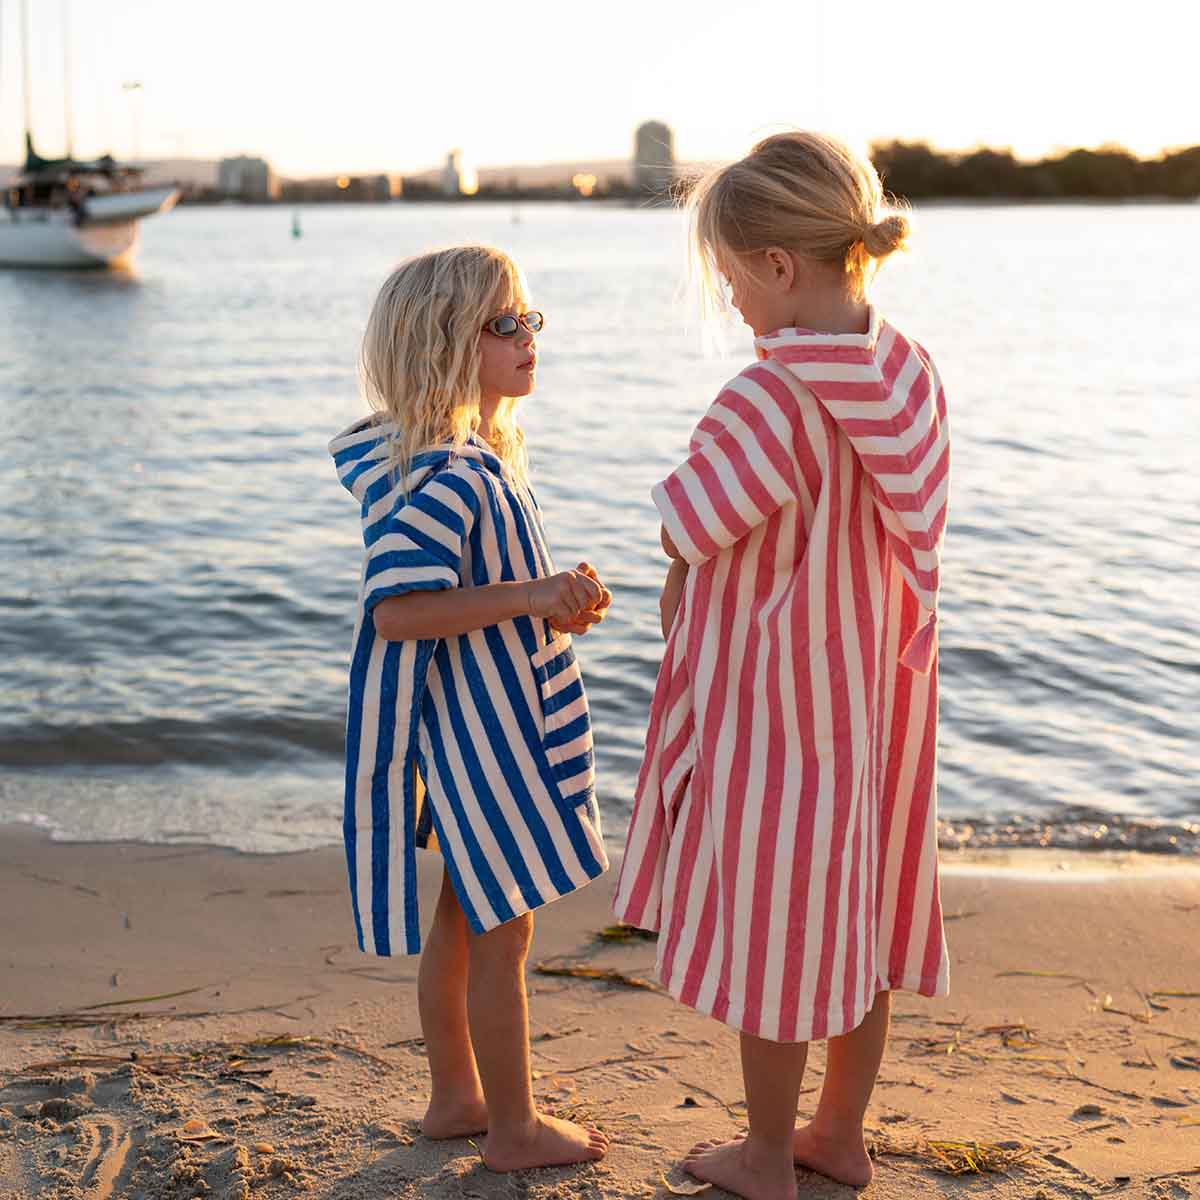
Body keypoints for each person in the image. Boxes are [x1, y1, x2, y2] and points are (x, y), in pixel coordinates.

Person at [614, 131, 952, 1200]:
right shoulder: (908, 371)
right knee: (862, 910)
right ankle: (838, 1134)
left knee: (776, 927)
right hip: (875, 693)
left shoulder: (775, 397)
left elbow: (689, 520)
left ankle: (766, 1156)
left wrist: (677, 563)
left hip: (781, 705)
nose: (731, 302)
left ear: (777, 264)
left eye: (732, 279)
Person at [329, 245, 613, 1171]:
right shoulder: (452, 473)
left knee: (464, 913)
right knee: (504, 925)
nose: (527, 337)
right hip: (479, 738)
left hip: (479, 728)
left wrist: (552, 601)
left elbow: (470, 593)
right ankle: (514, 1129)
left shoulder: (474, 459)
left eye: (530, 318)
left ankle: (456, 1097)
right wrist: (531, 596)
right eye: (502, 323)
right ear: (445, 344)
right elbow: (399, 609)